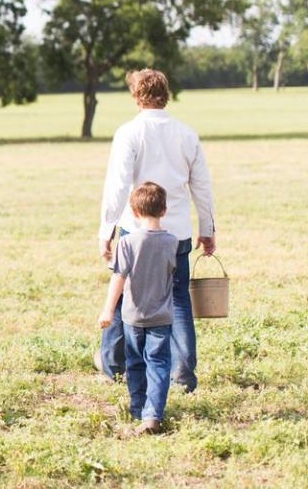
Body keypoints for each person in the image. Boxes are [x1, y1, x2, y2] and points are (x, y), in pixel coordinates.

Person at [96, 69, 216, 392]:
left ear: (136, 97)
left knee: (122, 296)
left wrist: (106, 229)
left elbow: (118, 185)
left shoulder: (128, 133)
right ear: (166, 94)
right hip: (176, 233)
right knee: (178, 300)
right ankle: (183, 374)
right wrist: (207, 228)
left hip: (134, 231)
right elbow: (201, 186)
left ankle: (112, 364)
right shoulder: (186, 133)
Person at [99, 182, 178, 435]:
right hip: (162, 317)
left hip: (132, 316)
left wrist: (108, 311)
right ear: (164, 210)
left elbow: (118, 278)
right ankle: (153, 414)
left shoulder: (127, 243)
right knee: (158, 364)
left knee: (134, 363)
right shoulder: (172, 242)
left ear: (133, 212)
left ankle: (137, 409)